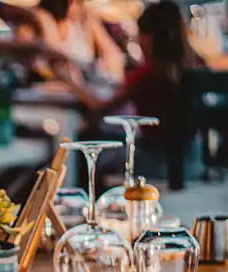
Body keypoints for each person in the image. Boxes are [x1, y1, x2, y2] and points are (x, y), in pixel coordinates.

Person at [64, 0, 204, 182]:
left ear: (149, 38)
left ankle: (83, 197)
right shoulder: (196, 67)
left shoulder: (148, 73)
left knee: (89, 142)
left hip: (156, 162)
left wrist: (70, 82)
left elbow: (98, 106)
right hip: (194, 162)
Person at [25, 0, 124, 83]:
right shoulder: (37, 18)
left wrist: (112, 79)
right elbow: (54, 57)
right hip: (51, 90)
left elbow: (114, 55)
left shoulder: (86, 19)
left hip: (85, 91)